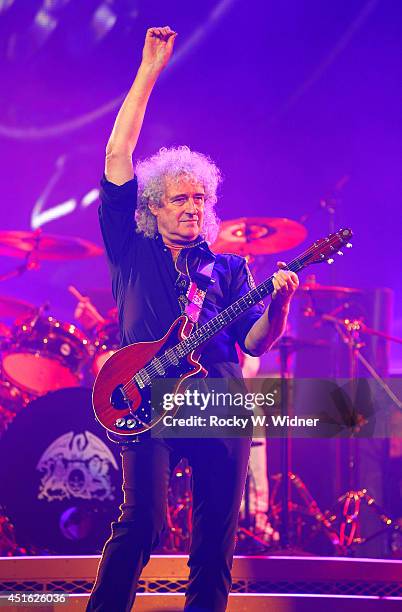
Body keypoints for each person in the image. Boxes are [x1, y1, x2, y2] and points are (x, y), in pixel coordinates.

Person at [87, 26, 299, 612]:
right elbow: (116, 155)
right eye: (178, 199)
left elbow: (255, 339)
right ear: (151, 207)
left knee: (213, 545)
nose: (191, 208)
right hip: (148, 398)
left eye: (199, 199)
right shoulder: (133, 251)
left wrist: (279, 303)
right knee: (143, 525)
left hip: (218, 403)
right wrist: (150, 70)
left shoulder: (229, 268)